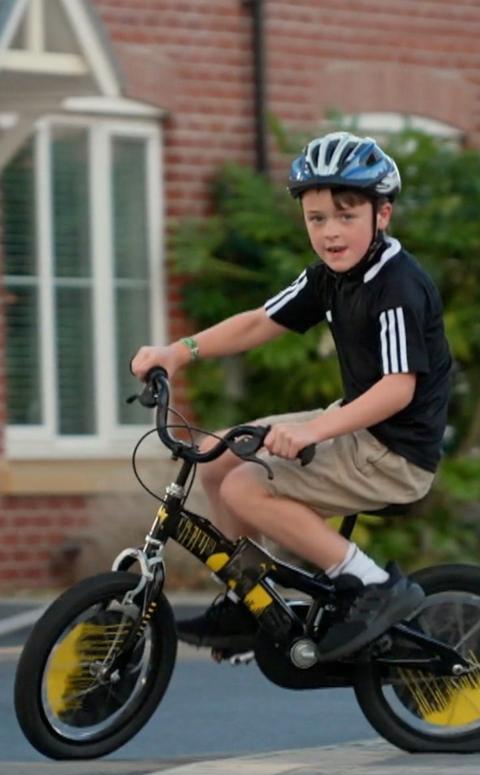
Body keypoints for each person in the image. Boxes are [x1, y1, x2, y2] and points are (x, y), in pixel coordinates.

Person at [131, 131, 452, 661]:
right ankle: (249, 599)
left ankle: (372, 585)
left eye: (346, 216)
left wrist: (311, 431)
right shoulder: (330, 277)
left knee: (244, 490)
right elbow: (261, 321)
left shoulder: (395, 284)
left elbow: (399, 388)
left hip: (393, 453)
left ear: (383, 215)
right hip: (356, 431)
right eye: (316, 218)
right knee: (219, 457)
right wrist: (179, 351)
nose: (330, 232)